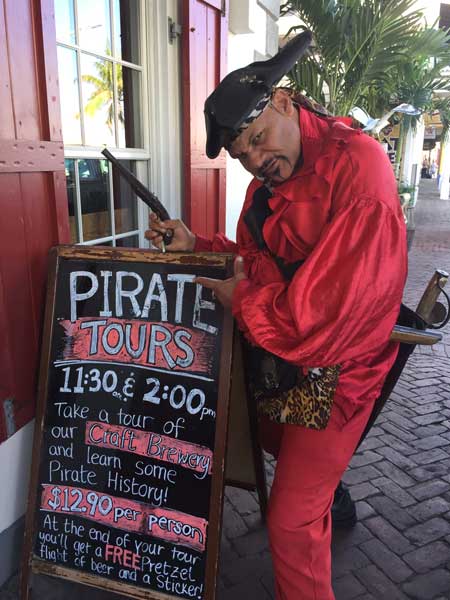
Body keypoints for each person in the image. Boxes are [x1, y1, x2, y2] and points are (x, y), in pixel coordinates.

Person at [146, 31, 407, 600]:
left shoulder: (357, 166)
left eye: (260, 140)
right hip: (282, 360)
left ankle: (316, 501)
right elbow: (253, 257)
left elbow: (326, 315)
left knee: (290, 520)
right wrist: (197, 243)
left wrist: (241, 299)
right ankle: (324, 489)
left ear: (285, 102)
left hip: (339, 367)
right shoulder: (268, 186)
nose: (258, 162)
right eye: (245, 157)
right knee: (272, 442)